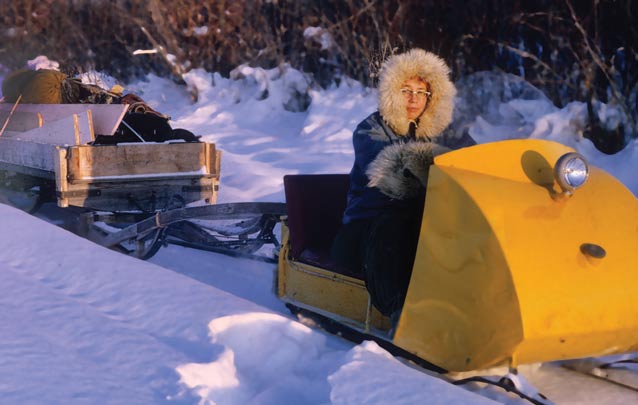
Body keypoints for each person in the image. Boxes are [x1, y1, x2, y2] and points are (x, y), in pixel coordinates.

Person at [331, 48, 475, 325]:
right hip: (368, 227)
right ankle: (401, 314)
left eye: (422, 92)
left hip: (427, 218)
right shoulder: (370, 128)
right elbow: (388, 167)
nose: (413, 99)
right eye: (406, 90)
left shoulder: (448, 130)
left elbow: (474, 157)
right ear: (392, 92)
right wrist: (438, 160)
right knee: (397, 225)